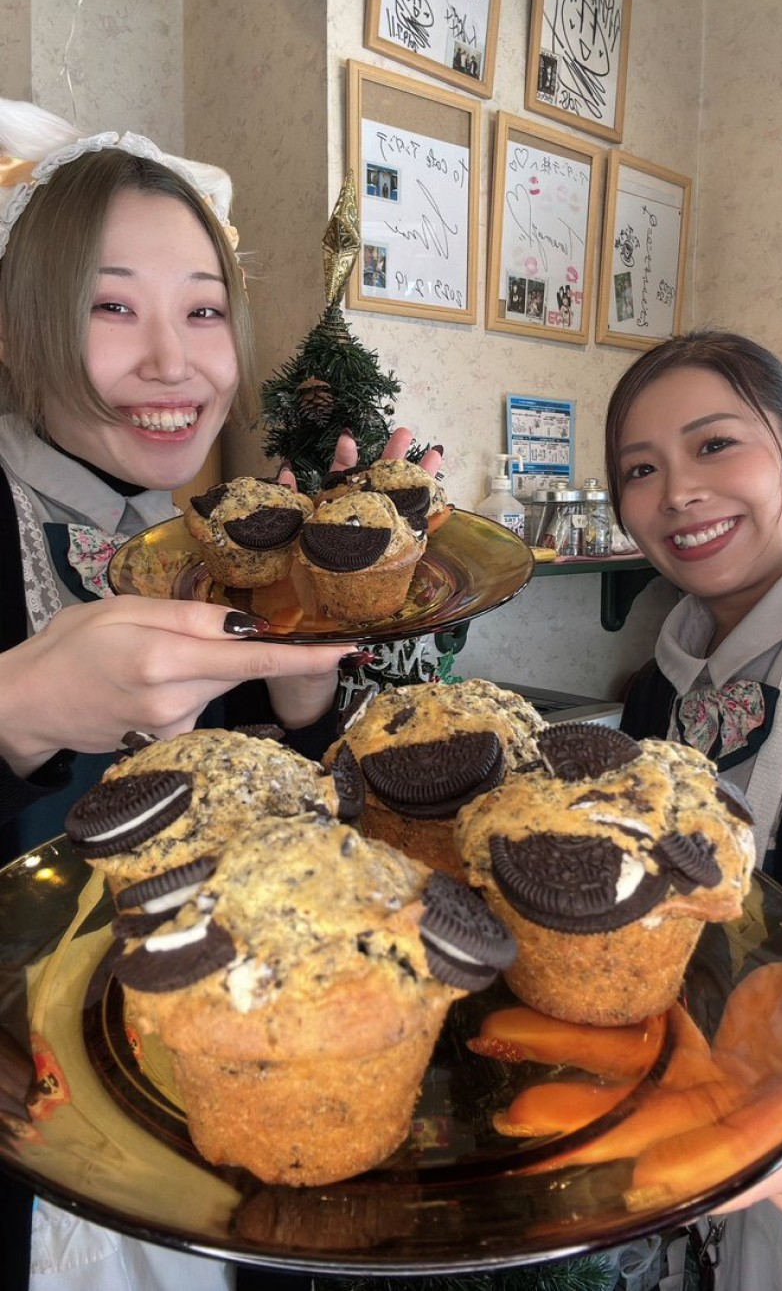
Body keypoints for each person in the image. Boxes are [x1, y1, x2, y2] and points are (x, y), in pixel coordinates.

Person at [0, 99, 443, 1290]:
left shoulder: (213, 537)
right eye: (109, 308)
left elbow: (287, 830)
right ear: (15, 329)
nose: (172, 361)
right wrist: (19, 707)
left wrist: (306, 678)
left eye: (204, 311)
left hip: (230, 1099)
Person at [604, 327, 782, 1291]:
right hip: (701, 1139)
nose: (678, 492)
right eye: (641, 470)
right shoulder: (659, 693)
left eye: (715, 444)